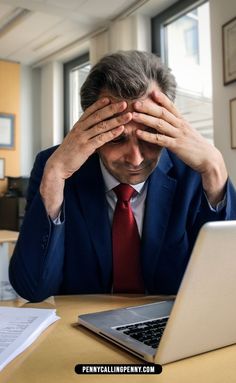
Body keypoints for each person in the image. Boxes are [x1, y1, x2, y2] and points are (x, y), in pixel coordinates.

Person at [9, 50, 236, 302]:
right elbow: (32, 289)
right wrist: (54, 177)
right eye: (117, 138)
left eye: (150, 135)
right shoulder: (55, 167)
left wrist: (216, 168)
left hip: (170, 327)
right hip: (80, 329)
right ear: (90, 126)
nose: (136, 159)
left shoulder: (193, 170)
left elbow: (226, 282)